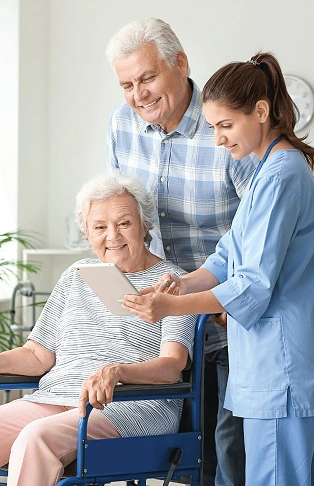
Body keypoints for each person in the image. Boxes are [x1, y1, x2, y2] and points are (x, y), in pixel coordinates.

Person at [121, 51, 314, 485]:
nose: (219, 141)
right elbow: (228, 255)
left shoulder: (280, 176)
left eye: (226, 126)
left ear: (261, 112)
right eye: (212, 128)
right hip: (305, 367)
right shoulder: (269, 171)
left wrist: (174, 308)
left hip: (283, 369)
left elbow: (251, 285)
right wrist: (180, 284)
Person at [0, 172, 196, 486]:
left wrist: (119, 372)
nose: (112, 236)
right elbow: (37, 355)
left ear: (144, 225)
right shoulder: (77, 275)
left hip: (131, 404)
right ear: (87, 233)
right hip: (57, 397)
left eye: (124, 223)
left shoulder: (174, 283)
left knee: (36, 438)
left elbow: (171, 367)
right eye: (100, 227)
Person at [106, 18, 257, 486]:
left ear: (181, 64)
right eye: (127, 84)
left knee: (230, 452)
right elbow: (123, 213)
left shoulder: (226, 127)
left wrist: (228, 301)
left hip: (226, 317)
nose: (139, 95)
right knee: (181, 455)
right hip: (164, 326)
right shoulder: (123, 124)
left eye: (147, 78)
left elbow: (260, 229)